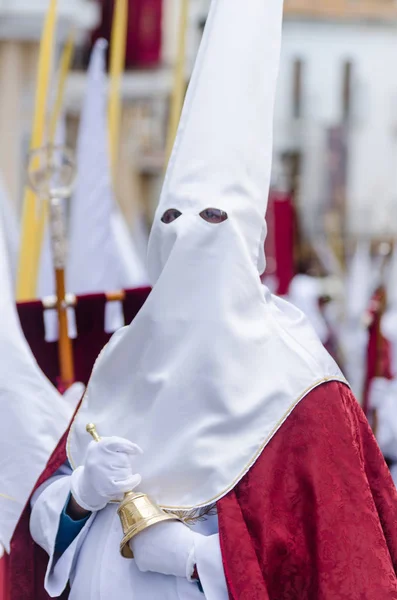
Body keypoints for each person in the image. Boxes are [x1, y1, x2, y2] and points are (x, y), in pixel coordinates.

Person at [26, 0, 397, 598]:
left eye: (213, 219)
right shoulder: (124, 358)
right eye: (171, 219)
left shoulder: (303, 389)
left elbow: (341, 562)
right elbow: (42, 526)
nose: (188, 234)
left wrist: (203, 558)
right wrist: (78, 497)